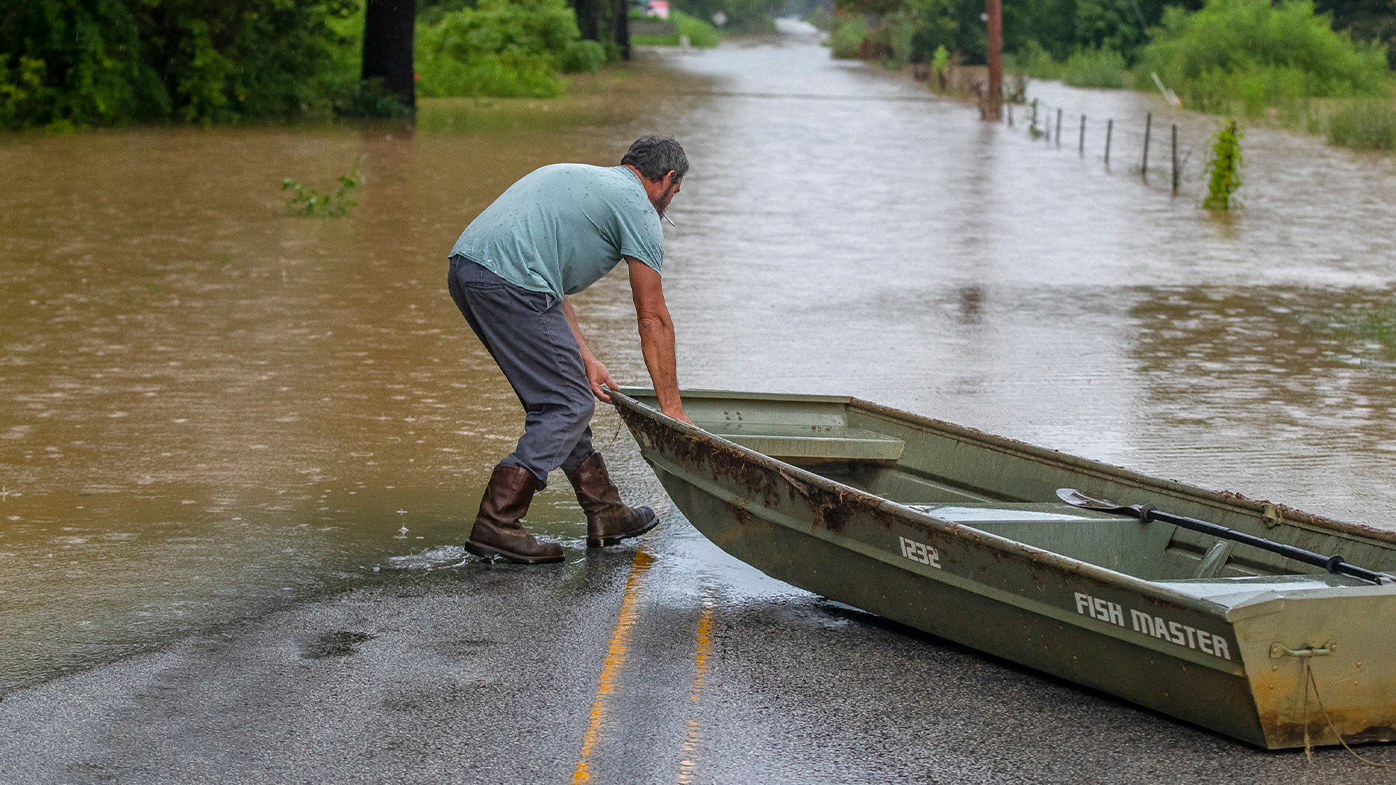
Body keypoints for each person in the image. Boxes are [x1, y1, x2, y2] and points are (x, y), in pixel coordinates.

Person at [446, 136, 692, 565]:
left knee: (565, 393)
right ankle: (498, 520)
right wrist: (671, 408)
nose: (672, 199)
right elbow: (653, 317)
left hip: (469, 270)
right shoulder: (639, 209)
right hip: (510, 281)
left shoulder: (578, 179)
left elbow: (550, 284)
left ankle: (605, 511)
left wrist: (586, 358)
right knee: (567, 403)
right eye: (676, 191)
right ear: (667, 179)